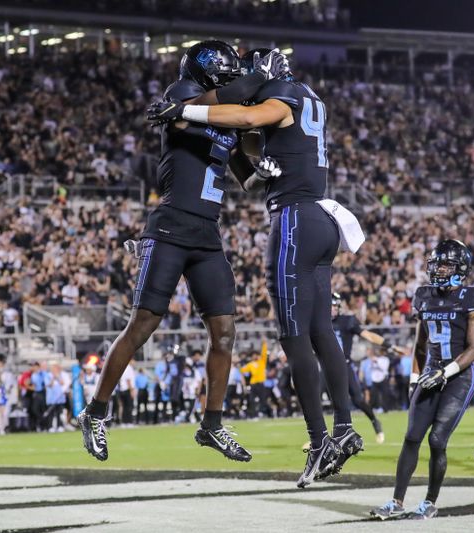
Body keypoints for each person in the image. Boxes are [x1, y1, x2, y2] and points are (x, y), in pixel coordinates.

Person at [148, 48, 366, 488]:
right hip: (321, 216)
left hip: (294, 220)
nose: (242, 83)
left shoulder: (281, 94)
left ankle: (320, 439)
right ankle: (344, 427)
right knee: (323, 330)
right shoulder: (309, 97)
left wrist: (185, 108)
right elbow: (253, 134)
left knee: (295, 336)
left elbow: (249, 120)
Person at [79, 41, 289, 463]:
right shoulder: (181, 95)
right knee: (142, 325)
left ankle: (211, 425)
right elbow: (219, 99)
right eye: (225, 72)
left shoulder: (221, 116)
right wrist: (260, 75)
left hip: (207, 235)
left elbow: (247, 177)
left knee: (225, 333)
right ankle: (95, 412)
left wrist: (263, 163)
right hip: (171, 226)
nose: (231, 79)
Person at [370, 240, 474, 520]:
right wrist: (415, 378)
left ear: (461, 268)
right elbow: (420, 344)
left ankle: (429, 502)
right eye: (436, 264)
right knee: (411, 437)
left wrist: (445, 372)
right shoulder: (424, 295)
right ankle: (396, 502)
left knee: (437, 440)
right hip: (430, 371)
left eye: (445, 264)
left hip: (458, 375)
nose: (439, 269)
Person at [330, 292, 393, 443]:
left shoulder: (347, 321)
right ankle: (319, 437)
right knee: (317, 397)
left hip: (344, 366)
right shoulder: (319, 322)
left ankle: (374, 421)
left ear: (338, 307)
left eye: (332, 306)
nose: (330, 310)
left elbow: (368, 336)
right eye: (328, 306)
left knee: (358, 400)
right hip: (326, 367)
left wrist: (389, 345)